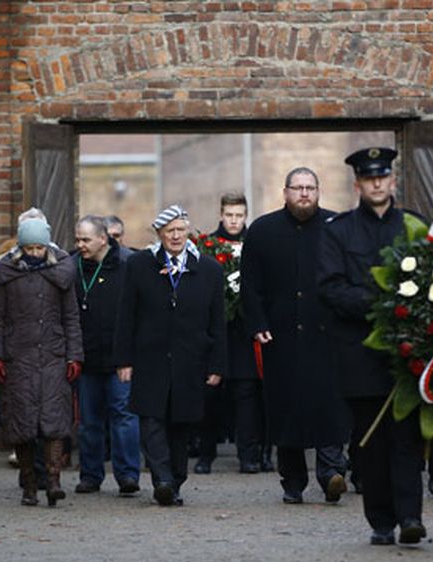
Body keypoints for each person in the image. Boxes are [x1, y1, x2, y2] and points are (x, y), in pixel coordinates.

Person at [317, 147, 426, 545]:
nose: (377, 183)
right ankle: (381, 521)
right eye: (369, 178)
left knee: (408, 439)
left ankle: (411, 516)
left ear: (393, 181)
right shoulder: (339, 231)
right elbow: (330, 288)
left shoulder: (414, 227)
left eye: (383, 176)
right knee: (372, 443)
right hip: (360, 352)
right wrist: (384, 305)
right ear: (358, 184)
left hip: (409, 354)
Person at [241, 167, 350, 505]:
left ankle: (332, 472)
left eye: (310, 188)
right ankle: (293, 481)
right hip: (280, 336)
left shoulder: (337, 228)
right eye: (298, 188)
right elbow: (250, 285)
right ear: (285, 192)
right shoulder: (262, 231)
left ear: (319, 191)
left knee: (329, 404)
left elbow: (346, 280)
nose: (304, 194)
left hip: (326, 336)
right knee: (285, 408)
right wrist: (257, 324)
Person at [114, 205, 226, 507]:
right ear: (160, 234)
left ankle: (175, 479)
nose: (175, 236)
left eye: (180, 230)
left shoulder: (209, 269)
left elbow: (218, 321)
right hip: (149, 357)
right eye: (169, 231)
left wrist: (217, 364)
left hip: (191, 360)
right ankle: (161, 478)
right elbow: (126, 315)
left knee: (181, 424)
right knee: (151, 419)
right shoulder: (139, 265)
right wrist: (123, 360)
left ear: (189, 231)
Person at [0, 218, 83, 507]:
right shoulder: (6, 272)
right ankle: (29, 484)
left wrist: (74, 355)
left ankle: (53, 481)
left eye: (39, 247)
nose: (35, 252)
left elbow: (71, 318)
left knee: (54, 420)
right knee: (23, 423)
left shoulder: (61, 272)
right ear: (21, 246)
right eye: (29, 247)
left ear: (47, 245)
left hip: (53, 355)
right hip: (19, 357)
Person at [194, 192, 263, 475]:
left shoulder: (255, 244)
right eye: (230, 215)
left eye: (239, 215)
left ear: (246, 216)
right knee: (211, 394)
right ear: (221, 215)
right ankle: (205, 454)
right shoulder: (207, 246)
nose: (234, 221)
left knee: (246, 393)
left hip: (244, 331)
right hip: (215, 330)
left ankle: (248, 455)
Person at [72, 215, 140, 496]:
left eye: (85, 240)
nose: (80, 245)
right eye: (77, 239)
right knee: (89, 421)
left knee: (123, 417)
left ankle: (127, 475)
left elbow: (137, 314)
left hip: (119, 359)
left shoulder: (128, 265)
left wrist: (130, 357)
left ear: (103, 239)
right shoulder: (72, 266)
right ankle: (90, 475)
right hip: (87, 358)